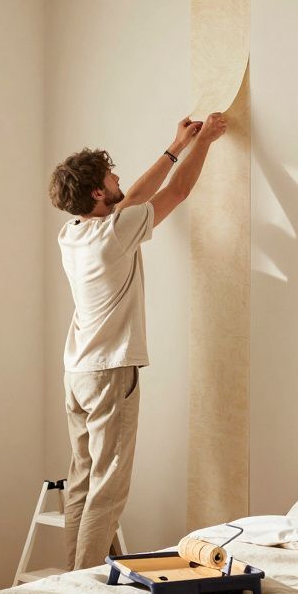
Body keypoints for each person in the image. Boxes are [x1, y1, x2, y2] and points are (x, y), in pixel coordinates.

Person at [47, 111, 228, 570]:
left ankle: (75, 577)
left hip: (78, 373)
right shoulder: (114, 232)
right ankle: (83, 585)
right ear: (96, 192)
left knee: (83, 481)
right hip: (110, 372)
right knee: (108, 488)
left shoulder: (71, 234)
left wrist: (176, 145)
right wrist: (203, 142)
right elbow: (177, 192)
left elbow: (132, 199)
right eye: (111, 177)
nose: (119, 181)